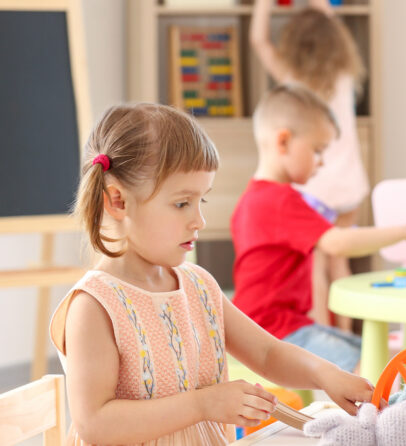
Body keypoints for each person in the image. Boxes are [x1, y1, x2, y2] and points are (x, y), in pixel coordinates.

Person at [49, 103, 374, 445]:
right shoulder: (94, 306)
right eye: (181, 203)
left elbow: (267, 354)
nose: (198, 221)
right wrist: (203, 405)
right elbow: (96, 424)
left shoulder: (198, 286)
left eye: (201, 201)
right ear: (117, 201)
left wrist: (326, 374)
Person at [231, 83, 406, 373]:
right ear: (283, 142)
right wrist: (405, 231)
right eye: (317, 150)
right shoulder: (278, 200)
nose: (322, 162)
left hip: (276, 327)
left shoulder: (253, 198)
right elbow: (338, 243)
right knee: (372, 369)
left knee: (375, 356)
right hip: (273, 333)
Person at [250, 0, 367, 329]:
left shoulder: (293, 79)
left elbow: (259, 41)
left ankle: (321, 335)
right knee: (340, 263)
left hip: (314, 188)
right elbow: (328, 18)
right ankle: (348, 338)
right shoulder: (344, 74)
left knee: (313, 265)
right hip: (349, 186)